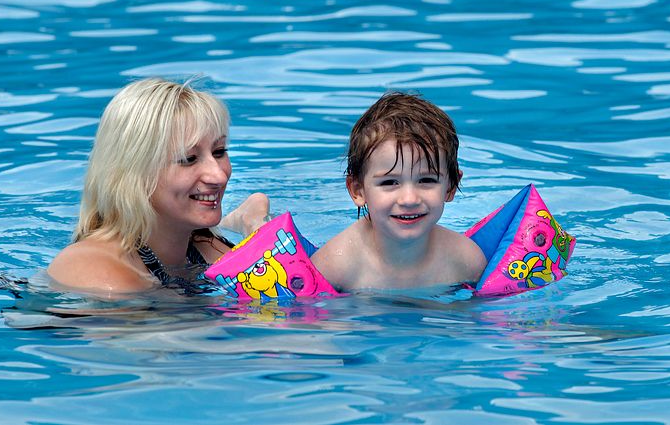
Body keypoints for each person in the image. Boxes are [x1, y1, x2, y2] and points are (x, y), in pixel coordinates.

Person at [48, 78, 269, 295]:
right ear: (134, 173)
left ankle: (250, 221)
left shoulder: (203, 248)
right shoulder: (95, 270)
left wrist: (262, 232)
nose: (219, 176)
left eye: (219, 152)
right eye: (188, 158)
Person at [311, 91, 486, 291]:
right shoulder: (333, 266)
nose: (409, 199)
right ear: (358, 190)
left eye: (426, 180)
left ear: (450, 187)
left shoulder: (466, 261)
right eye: (390, 183)